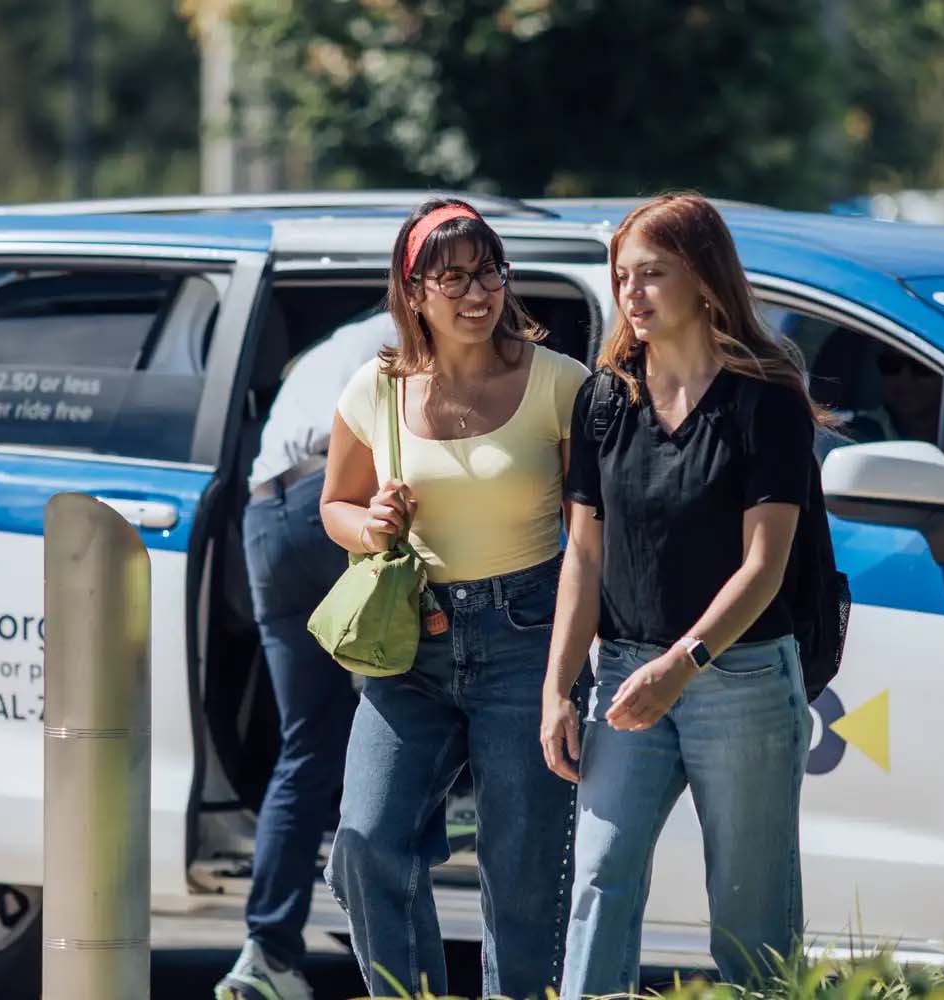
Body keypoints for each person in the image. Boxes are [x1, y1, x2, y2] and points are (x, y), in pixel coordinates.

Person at [540, 192, 831, 995]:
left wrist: (684, 663)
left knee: (751, 918)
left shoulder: (765, 398)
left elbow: (764, 566)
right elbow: (583, 559)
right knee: (599, 878)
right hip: (626, 672)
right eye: (622, 275)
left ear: (705, 280)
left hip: (735, 678)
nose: (632, 294)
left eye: (653, 274)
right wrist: (559, 688)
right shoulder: (603, 399)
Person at [320, 199, 591, 998]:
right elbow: (334, 507)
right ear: (413, 291)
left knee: (523, 877)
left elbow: (592, 540)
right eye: (455, 277)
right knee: (366, 842)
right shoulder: (375, 387)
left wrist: (563, 679)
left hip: (528, 637)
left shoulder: (559, 385)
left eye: (491, 272)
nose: (479, 294)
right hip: (413, 644)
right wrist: (370, 526)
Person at [216, 310, 396, 1000]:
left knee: (306, 749)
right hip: (338, 503)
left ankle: (267, 955)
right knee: (423, 693)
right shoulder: (426, 333)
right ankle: (457, 795)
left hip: (267, 521)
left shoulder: (332, 345)